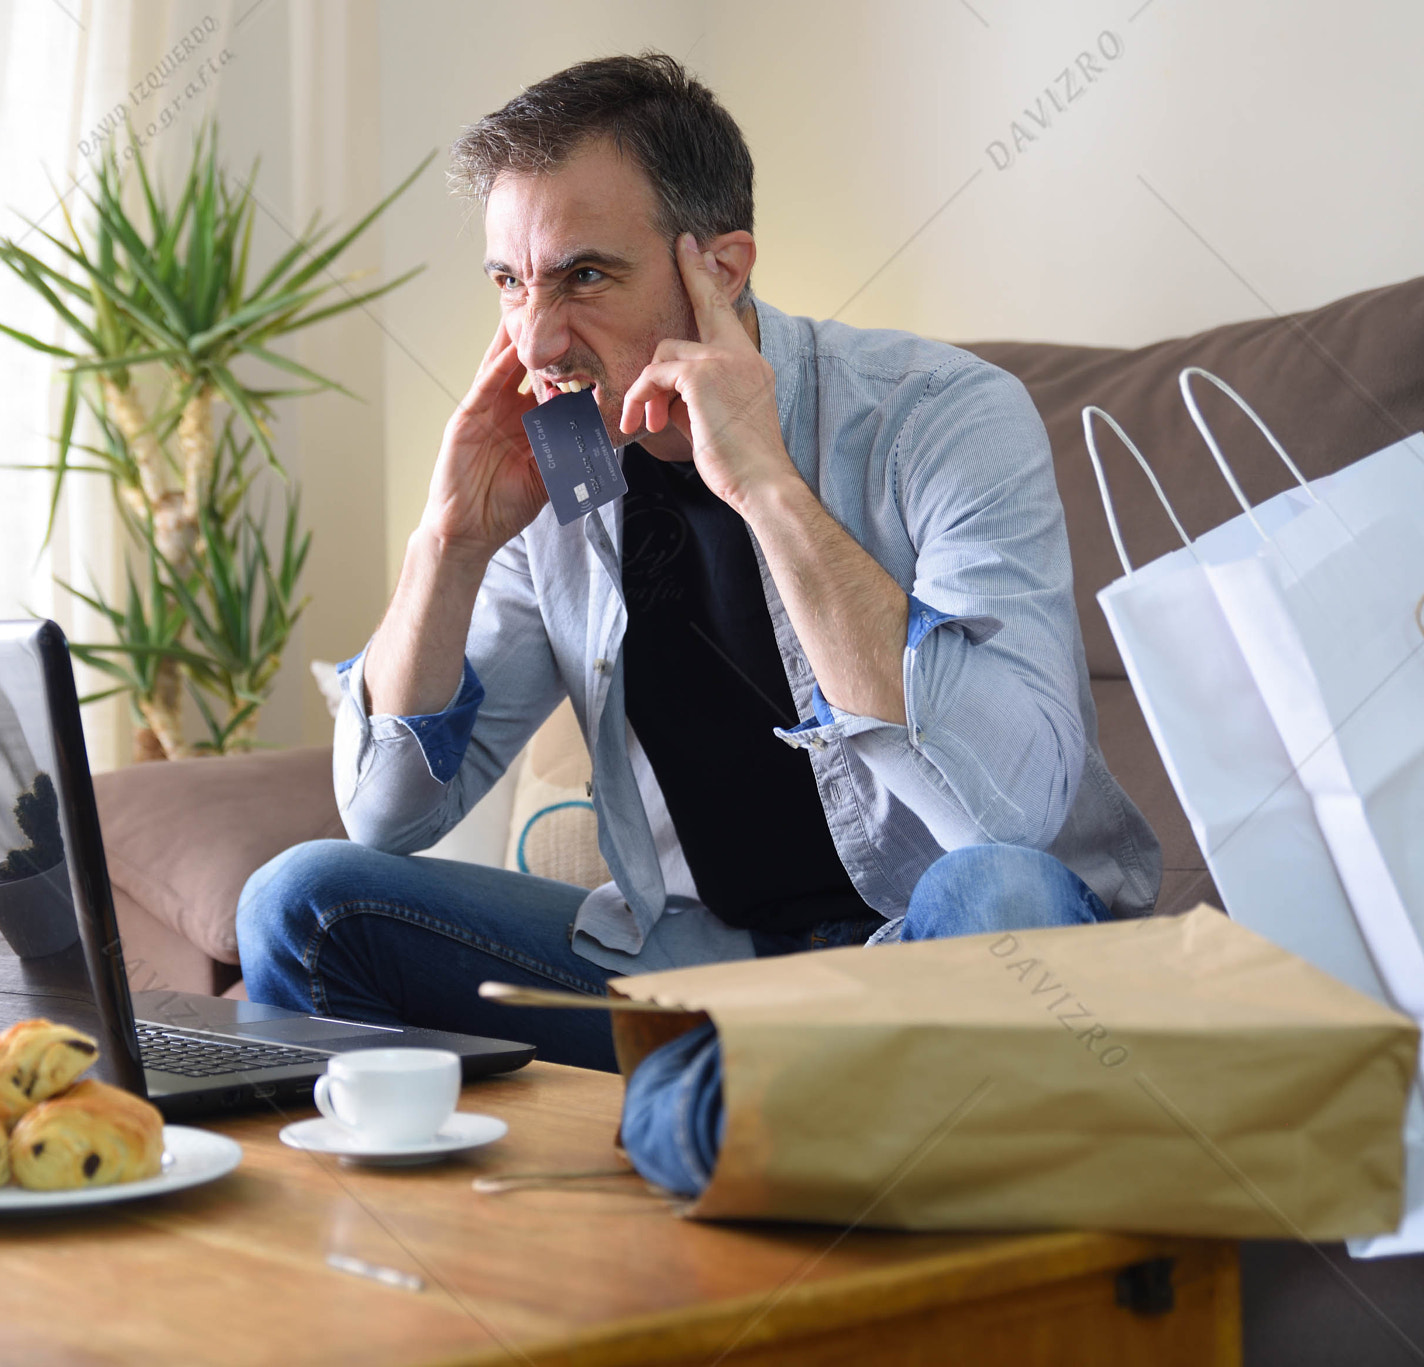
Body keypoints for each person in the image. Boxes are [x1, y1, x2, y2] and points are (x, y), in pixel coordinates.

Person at [236, 52, 1160, 1194]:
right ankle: (736, 1106)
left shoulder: (942, 416)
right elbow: (384, 816)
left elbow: (1005, 807)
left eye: (581, 276)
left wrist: (765, 488)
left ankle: (689, 1104)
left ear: (717, 268)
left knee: (1007, 900)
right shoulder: (564, 469)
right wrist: (451, 539)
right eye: (509, 283)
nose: (535, 342)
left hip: (952, 945)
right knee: (306, 899)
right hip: (702, 960)